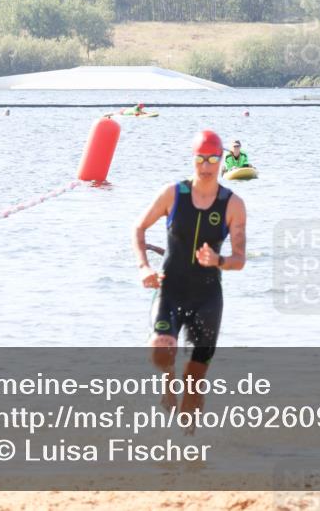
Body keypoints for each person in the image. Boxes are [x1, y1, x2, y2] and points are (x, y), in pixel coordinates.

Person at [132, 130, 247, 428]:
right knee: (160, 351)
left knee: (194, 382)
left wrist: (218, 261)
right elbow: (139, 229)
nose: (206, 166)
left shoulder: (232, 204)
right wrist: (144, 267)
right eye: (200, 159)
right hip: (171, 290)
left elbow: (239, 259)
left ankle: (190, 456)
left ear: (221, 160)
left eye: (212, 159)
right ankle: (168, 380)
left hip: (208, 297)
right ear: (193, 159)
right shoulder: (173, 194)